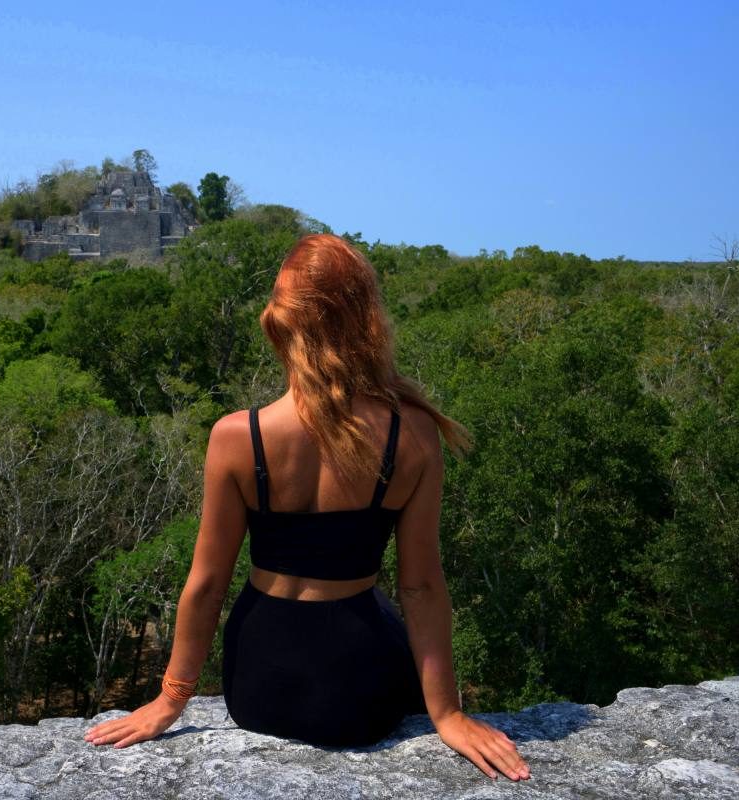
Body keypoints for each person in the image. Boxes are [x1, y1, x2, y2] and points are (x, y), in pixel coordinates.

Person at [83, 233, 530, 782]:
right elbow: (421, 586)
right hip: (361, 690)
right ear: (366, 320)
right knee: (386, 607)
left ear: (280, 322)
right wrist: (448, 713)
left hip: (259, 685)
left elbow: (206, 585)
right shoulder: (412, 433)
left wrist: (170, 700)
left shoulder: (237, 437)